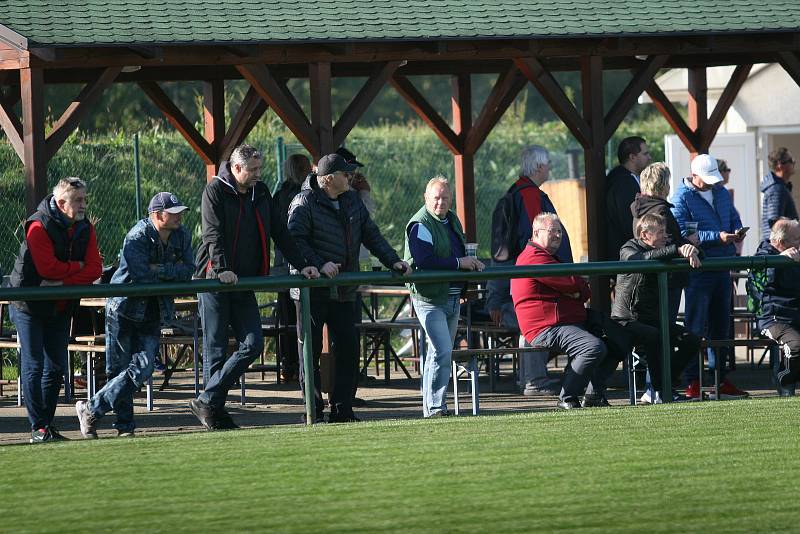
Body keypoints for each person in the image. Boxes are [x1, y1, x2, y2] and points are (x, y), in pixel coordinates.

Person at [191, 144, 319, 431]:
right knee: (216, 349)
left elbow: (280, 231)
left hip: (244, 281)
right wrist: (222, 269)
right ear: (236, 169)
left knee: (254, 343)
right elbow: (212, 234)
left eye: (260, 169)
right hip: (214, 279)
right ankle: (214, 412)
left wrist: (302, 263)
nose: (258, 175)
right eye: (252, 170)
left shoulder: (260, 193)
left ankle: (207, 399)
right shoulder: (214, 191)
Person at [288, 153, 410, 423]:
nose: (351, 177)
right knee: (309, 352)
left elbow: (371, 233)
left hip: (344, 289)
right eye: (346, 174)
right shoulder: (303, 202)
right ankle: (313, 410)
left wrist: (393, 261)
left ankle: (343, 409)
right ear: (329, 179)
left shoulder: (352, 200)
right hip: (312, 290)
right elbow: (294, 240)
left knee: (349, 349)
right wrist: (319, 264)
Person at [75, 192, 195, 438]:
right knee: (118, 371)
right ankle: (125, 427)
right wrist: (169, 271)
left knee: (143, 368)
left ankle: (90, 409)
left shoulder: (182, 235)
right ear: (157, 215)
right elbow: (141, 275)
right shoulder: (137, 236)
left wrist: (159, 269)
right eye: (173, 213)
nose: (179, 217)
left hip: (153, 311)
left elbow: (189, 270)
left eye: (180, 212)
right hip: (122, 310)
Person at [9, 177, 103, 443]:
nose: (84, 205)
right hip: (29, 305)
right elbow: (45, 268)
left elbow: (96, 268)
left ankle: (46, 426)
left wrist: (64, 278)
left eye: (85, 199)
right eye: (78, 200)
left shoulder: (86, 227)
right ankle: (38, 427)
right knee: (34, 365)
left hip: (60, 305)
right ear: (61, 203)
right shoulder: (38, 225)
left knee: (56, 367)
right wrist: (78, 268)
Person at [511, 212, 630, 409]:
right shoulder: (533, 257)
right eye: (552, 231)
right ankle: (566, 397)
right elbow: (572, 283)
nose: (558, 235)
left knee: (621, 339)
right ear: (536, 232)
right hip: (547, 326)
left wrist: (576, 290)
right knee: (592, 347)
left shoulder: (548, 257)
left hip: (570, 318)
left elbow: (579, 288)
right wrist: (575, 289)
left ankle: (593, 395)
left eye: (560, 231)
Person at [487, 145, 570, 397]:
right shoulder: (530, 197)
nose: (550, 169)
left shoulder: (513, 194)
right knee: (540, 323)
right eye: (547, 164)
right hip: (520, 295)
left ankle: (530, 381)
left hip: (505, 295)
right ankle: (534, 381)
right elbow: (541, 249)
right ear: (538, 167)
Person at [404, 177, 484, 417]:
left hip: (451, 296)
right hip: (429, 298)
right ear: (426, 198)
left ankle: (431, 407)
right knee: (442, 351)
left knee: (437, 353)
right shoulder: (420, 224)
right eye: (436, 198)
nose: (440, 202)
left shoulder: (452, 219)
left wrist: (469, 263)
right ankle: (437, 407)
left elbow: (458, 251)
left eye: (445, 198)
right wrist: (461, 263)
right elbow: (424, 261)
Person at [671, 153, 748, 399]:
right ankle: (693, 380)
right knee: (695, 326)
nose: (712, 182)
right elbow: (682, 233)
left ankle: (718, 378)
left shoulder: (720, 192)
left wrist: (736, 231)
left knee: (721, 327)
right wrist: (720, 237)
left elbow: (733, 217)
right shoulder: (681, 198)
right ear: (693, 176)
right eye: (707, 178)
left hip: (721, 267)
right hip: (698, 271)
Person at [612, 213, 702, 403]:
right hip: (627, 319)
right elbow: (640, 259)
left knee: (691, 340)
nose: (665, 236)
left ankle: (663, 385)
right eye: (660, 232)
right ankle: (659, 390)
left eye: (665, 231)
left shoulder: (663, 250)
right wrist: (676, 250)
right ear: (644, 235)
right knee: (653, 334)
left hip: (652, 319)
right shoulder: (628, 248)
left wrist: (690, 249)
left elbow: (699, 255)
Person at [631, 162, 698, 320]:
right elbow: (668, 244)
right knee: (665, 330)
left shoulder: (638, 210)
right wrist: (689, 243)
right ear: (663, 184)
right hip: (666, 278)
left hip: (648, 277)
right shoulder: (661, 211)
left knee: (655, 329)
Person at [273, 153, 313, 383]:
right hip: (294, 262)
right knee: (296, 316)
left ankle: (287, 365)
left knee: (287, 314)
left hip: (281, 262)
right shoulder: (302, 195)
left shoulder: (279, 194)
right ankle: (296, 366)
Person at [754, 218, 800, 395]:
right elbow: (760, 284)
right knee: (796, 345)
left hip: (795, 314)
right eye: (797, 239)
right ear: (782, 243)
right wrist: (778, 261)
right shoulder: (762, 257)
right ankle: (783, 378)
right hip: (773, 318)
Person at [606, 136, 652, 260]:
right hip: (626, 256)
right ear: (632, 157)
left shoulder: (628, 179)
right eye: (645, 153)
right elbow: (627, 222)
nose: (649, 157)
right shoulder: (622, 183)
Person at [760, 147, 797, 241]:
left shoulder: (781, 187)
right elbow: (775, 223)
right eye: (791, 160)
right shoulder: (777, 189)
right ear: (780, 165)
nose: (794, 163)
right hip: (778, 247)